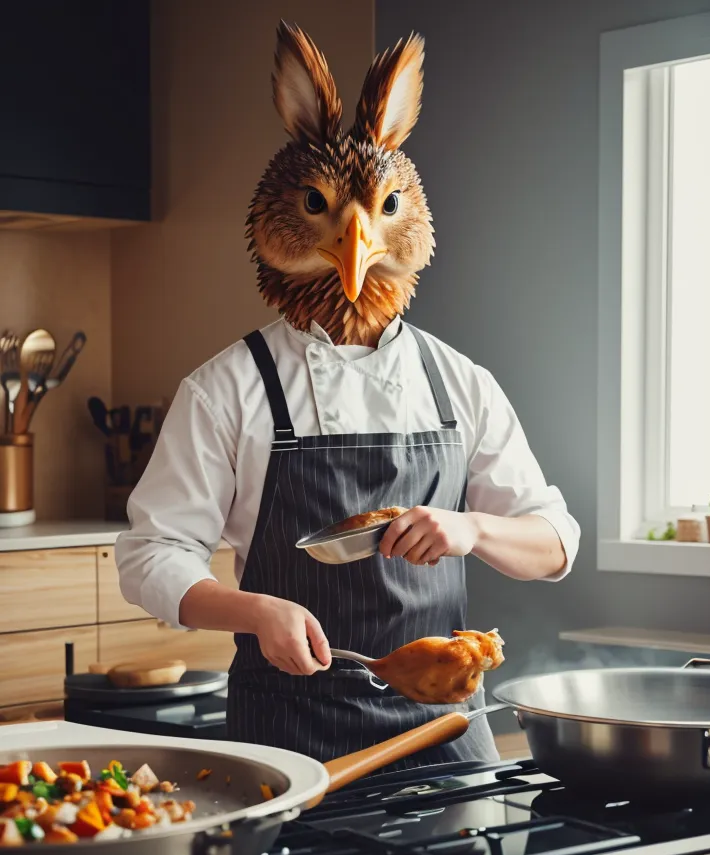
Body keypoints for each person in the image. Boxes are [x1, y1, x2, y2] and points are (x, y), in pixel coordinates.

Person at [115, 22, 580, 768]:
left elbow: (556, 541)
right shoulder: (227, 389)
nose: (355, 241)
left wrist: (470, 530)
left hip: (447, 737)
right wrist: (253, 611)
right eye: (322, 206)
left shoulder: (460, 383)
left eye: (378, 212)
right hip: (287, 742)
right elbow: (151, 554)